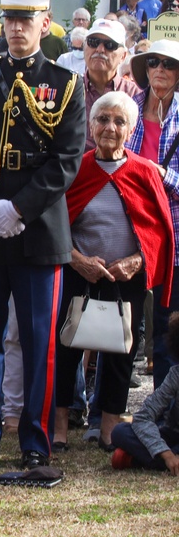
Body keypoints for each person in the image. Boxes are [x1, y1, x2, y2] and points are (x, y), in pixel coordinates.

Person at [0, 0, 86, 470]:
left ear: (44, 24)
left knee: (38, 342)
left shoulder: (64, 83)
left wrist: (19, 209)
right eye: (9, 20)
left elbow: (67, 159)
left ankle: (35, 439)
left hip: (37, 232)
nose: (15, 29)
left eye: (25, 20)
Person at [51, 93, 174, 453]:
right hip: (79, 272)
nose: (110, 127)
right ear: (91, 126)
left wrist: (136, 260)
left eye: (119, 122)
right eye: (103, 119)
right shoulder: (77, 168)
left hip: (126, 278)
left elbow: (157, 229)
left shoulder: (143, 171)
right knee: (66, 347)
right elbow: (56, 222)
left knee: (122, 350)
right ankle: (59, 426)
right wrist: (76, 258)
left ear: (131, 129)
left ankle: (108, 428)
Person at [124, 39, 179, 388]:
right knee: (119, 326)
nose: (160, 69)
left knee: (166, 327)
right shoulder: (126, 109)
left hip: (173, 237)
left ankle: (164, 410)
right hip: (127, 233)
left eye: (169, 64)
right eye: (154, 62)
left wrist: (163, 175)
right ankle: (105, 414)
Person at [111, 313, 179, 473]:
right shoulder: (175, 375)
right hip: (172, 437)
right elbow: (143, 417)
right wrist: (167, 454)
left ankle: (135, 459)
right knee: (120, 432)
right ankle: (167, 462)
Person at [79, 19, 142, 151]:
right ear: (84, 48)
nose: (100, 49)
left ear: (123, 55)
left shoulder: (135, 95)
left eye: (110, 45)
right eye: (93, 42)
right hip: (76, 169)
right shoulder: (70, 89)